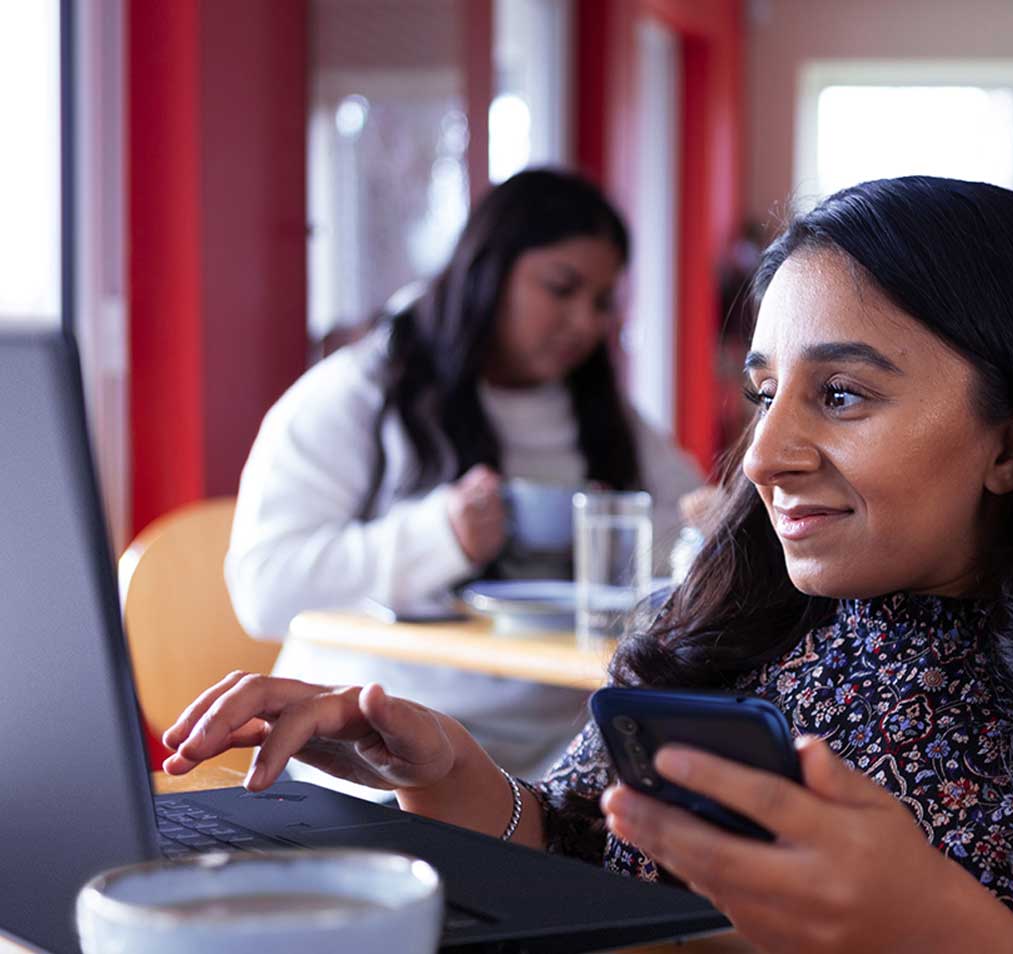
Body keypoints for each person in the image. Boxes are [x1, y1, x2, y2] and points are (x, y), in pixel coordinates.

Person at [174, 177, 1013, 952]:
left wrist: (930, 928)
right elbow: (582, 856)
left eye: (844, 395)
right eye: (764, 392)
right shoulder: (723, 636)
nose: (762, 455)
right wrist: (454, 778)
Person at [224, 169, 703, 777]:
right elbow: (264, 589)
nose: (586, 322)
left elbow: (695, 526)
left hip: (568, 746)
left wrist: (616, 533)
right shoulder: (358, 394)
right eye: (562, 288)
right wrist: (439, 537)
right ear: (488, 272)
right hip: (379, 744)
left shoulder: (602, 412)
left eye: (603, 302)